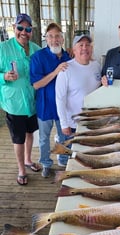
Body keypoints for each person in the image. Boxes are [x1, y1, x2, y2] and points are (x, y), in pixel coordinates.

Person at [0, 13, 41, 186]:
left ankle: (28, 160)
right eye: (20, 28)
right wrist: (3, 77)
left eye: (28, 29)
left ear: (31, 31)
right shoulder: (3, 48)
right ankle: (21, 169)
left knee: (30, 133)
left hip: (32, 102)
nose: (24, 32)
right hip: (14, 103)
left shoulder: (36, 49)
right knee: (18, 138)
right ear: (14, 28)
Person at [30, 22, 71, 178]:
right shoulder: (38, 57)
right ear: (45, 39)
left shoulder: (68, 56)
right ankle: (46, 163)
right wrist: (55, 72)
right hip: (45, 106)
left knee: (64, 137)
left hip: (64, 107)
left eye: (58, 36)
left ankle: (63, 160)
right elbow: (36, 84)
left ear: (62, 38)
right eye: (51, 36)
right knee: (43, 138)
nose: (54, 40)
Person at [55, 33, 101, 157]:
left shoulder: (97, 66)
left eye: (88, 45)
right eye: (81, 45)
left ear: (92, 48)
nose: (84, 48)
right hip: (73, 124)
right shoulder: (66, 69)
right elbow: (60, 99)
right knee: (71, 155)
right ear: (74, 49)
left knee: (89, 154)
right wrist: (64, 124)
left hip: (93, 123)